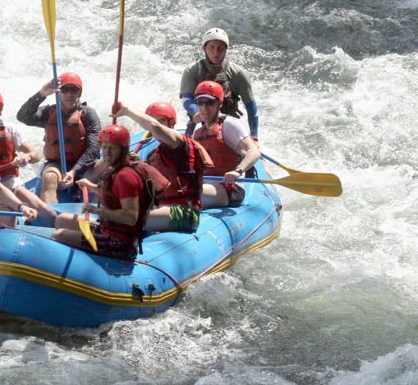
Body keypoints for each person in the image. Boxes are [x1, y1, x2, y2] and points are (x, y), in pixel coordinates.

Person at [51, 125, 167, 260]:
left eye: (113, 148)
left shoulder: (126, 176)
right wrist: (92, 187)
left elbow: (130, 218)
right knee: (62, 219)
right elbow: (115, 195)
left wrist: (97, 210)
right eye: (104, 147)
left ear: (123, 150)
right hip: (108, 228)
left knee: (58, 235)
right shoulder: (114, 168)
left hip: (120, 243)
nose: (107, 153)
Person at [110, 101, 213, 232]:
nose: (156, 125)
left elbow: (155, 127)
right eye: (153, 120)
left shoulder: (179, 142)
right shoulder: (153, 155)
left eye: (161, 121)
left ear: (172, 124)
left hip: (185, 212)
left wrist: (126, 110)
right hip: (163, 209)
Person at [0, 89, 57, 227]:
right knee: (2, 215)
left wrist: (26, 156)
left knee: (47, 212)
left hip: (11, 185)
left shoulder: (10, 129)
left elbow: (35, 155)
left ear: (0, 111)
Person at [16, 72, 101, 203]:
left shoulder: (88, 114)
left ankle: (102, 210)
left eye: (74, 90)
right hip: (57, 165)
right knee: (49, 176)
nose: (70, 94)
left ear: (79, 93)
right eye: (65, 89)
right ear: (58, 92)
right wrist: (42, 94)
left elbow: (94, 149)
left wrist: (74, 171)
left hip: (85, 165)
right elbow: (22, 116)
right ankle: (52, 217)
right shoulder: (47, 112)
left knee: (108, 166)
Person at [179, 28, 259, 142]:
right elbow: (186, 99)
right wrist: (196, 113)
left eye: (220, 48)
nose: (216, 52)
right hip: (200, 120)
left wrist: (254, 137)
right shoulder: (193, 70)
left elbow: (251, 107)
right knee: (186, 152)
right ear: (204, 49)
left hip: (228, 124)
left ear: (225, 50)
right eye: (212, 47)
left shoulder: (237, 73)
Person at [192, 81, 261, 208]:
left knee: (189, 193)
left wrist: (237, 171)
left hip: (230, 188)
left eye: (210, 103)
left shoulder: (230, 124)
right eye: (200, 103)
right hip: (206, 186)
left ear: (220, 103)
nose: (204, 107)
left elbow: (254, 151)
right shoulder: (197, 128)